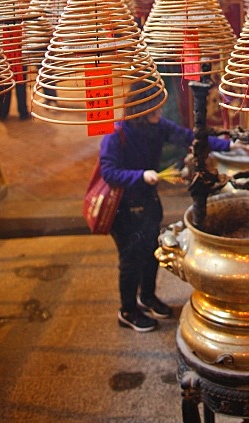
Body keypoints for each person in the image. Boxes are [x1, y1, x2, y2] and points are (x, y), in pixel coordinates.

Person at [99, 79, 233, 333]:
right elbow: (109, 172)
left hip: (148, 202)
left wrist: (229, 145)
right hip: (124, 208)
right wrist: (140, 176)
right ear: (141, 109)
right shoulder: (116, 134)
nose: (159, 113)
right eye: (154, 109)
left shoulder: (156, 126)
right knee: (130, 260)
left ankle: (147, 297)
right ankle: (127, 310)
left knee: (152, 252)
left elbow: (188, 137)